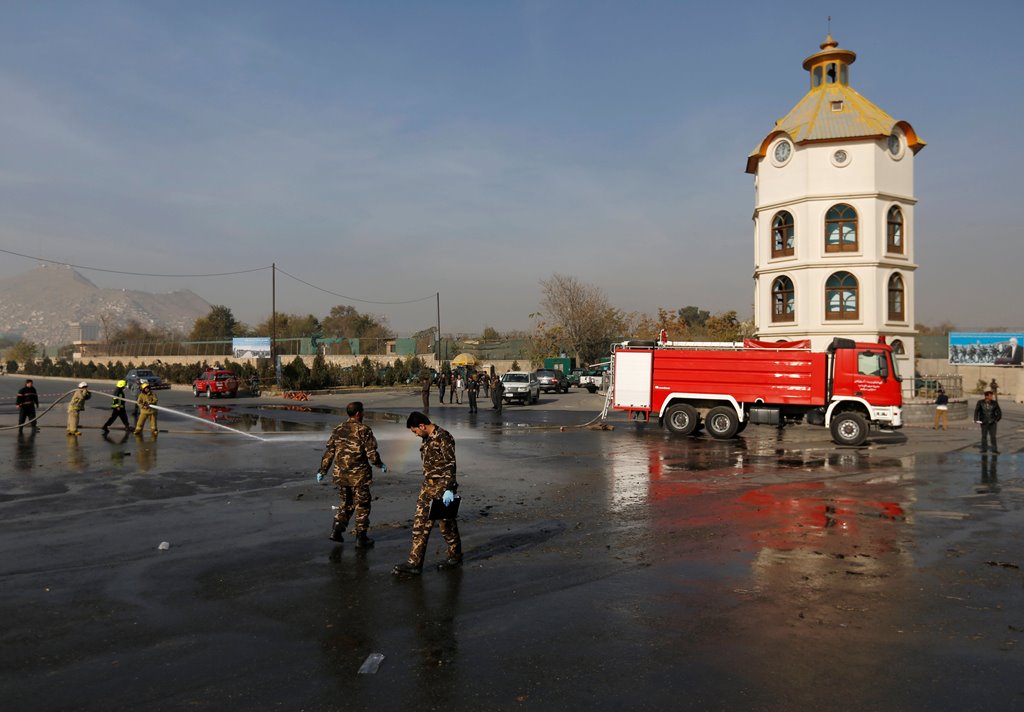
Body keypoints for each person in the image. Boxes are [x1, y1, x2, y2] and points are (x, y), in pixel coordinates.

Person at [393, 412, 462, 575]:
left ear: (422, 426)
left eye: (415, 431)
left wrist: (449, 489)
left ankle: (455, 555)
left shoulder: (443, 437)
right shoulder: (427, 438)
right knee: (420, 524)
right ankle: (414, 563)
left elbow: (450, 464)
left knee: (446, 525)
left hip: (443, 487)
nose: (416, 434)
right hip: (428, 486)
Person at [316, 401, 388, 547]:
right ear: (358, 413)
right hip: (359, 476)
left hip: (341, 475)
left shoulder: (338, 429)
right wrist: (380, 464)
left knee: (346, 503)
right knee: (362, 505)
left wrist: (322, 470)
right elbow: (371, 453)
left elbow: (329, 452)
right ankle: (361, 538)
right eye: (363, 411)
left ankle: (336, 531)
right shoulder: (364, 429)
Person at [974, 390, 1002, 454]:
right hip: (983, 422)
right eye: (990, 396)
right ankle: (984, 449)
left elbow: (999, 412)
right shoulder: (980, 402)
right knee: (984, 436)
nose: (991, 397)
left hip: (993, 422)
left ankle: (994, 449)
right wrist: (976, 419)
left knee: (993, 436)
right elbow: (976, 411)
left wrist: (997, 419)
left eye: (992, 396)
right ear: (986, 396)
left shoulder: (994, 403)